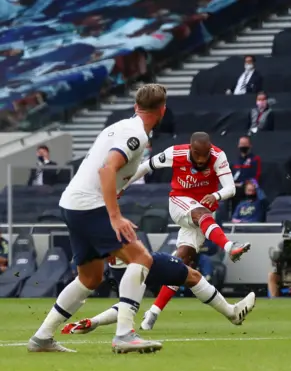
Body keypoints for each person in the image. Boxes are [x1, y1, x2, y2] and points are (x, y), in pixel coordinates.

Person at [27, 84, 169, 354]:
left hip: (71, 203)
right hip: (89, 206)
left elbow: (108, 171)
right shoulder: (137, 135)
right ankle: (125, 334)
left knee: (90, 277)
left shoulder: (119, 127)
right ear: (162, 110)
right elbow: (107, 171)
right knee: (141, 259)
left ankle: (42, 338)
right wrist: (115, 217)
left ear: (136, 106)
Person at [117, 131, 252, 331]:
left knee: (182, 264)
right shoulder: (174, 153)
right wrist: (122, 186)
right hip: (179, 203)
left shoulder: (217, 156)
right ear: (190, 148)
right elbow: (146, 166)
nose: (200, 159)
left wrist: (215, 195)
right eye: (197, 154)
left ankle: (153, 313)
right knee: (200, 212)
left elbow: (230, 189)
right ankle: (230, 246)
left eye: (204, 155)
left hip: (204, 214)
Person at [61, 252, 255, 334]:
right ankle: (231, 313)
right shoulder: (105, 185)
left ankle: (92, 323)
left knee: (130, 301)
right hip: (135, 258)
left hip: (120, 266)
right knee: (191, 275)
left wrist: (94, 321)